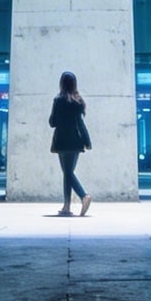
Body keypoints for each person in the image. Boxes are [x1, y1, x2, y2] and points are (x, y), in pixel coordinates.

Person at [48, 70, 92, 216]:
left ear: (61, 83)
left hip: (62, 140)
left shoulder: (58, 100)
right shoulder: (78, 101)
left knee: (67, 172)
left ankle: (84, 196)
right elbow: (80, 123)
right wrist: (87, 141)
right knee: (68, 173)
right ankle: (66, 206)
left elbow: (52, 122)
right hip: (76, 141)